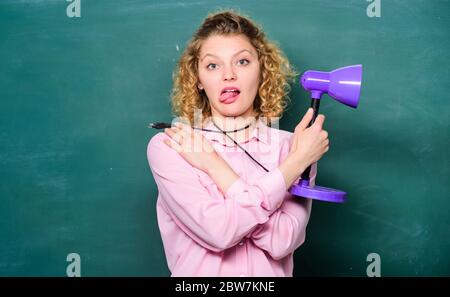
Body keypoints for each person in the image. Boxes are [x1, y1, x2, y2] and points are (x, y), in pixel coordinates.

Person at [146, 10, 329, 277]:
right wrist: (291, 168)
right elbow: (218, 232)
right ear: (197, 79)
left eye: (242, 62)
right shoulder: (171, 146)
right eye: (213, 65)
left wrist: (215, 166)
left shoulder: (295, 148)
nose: (228, 75)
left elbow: (282, 242)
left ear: (262, 70)